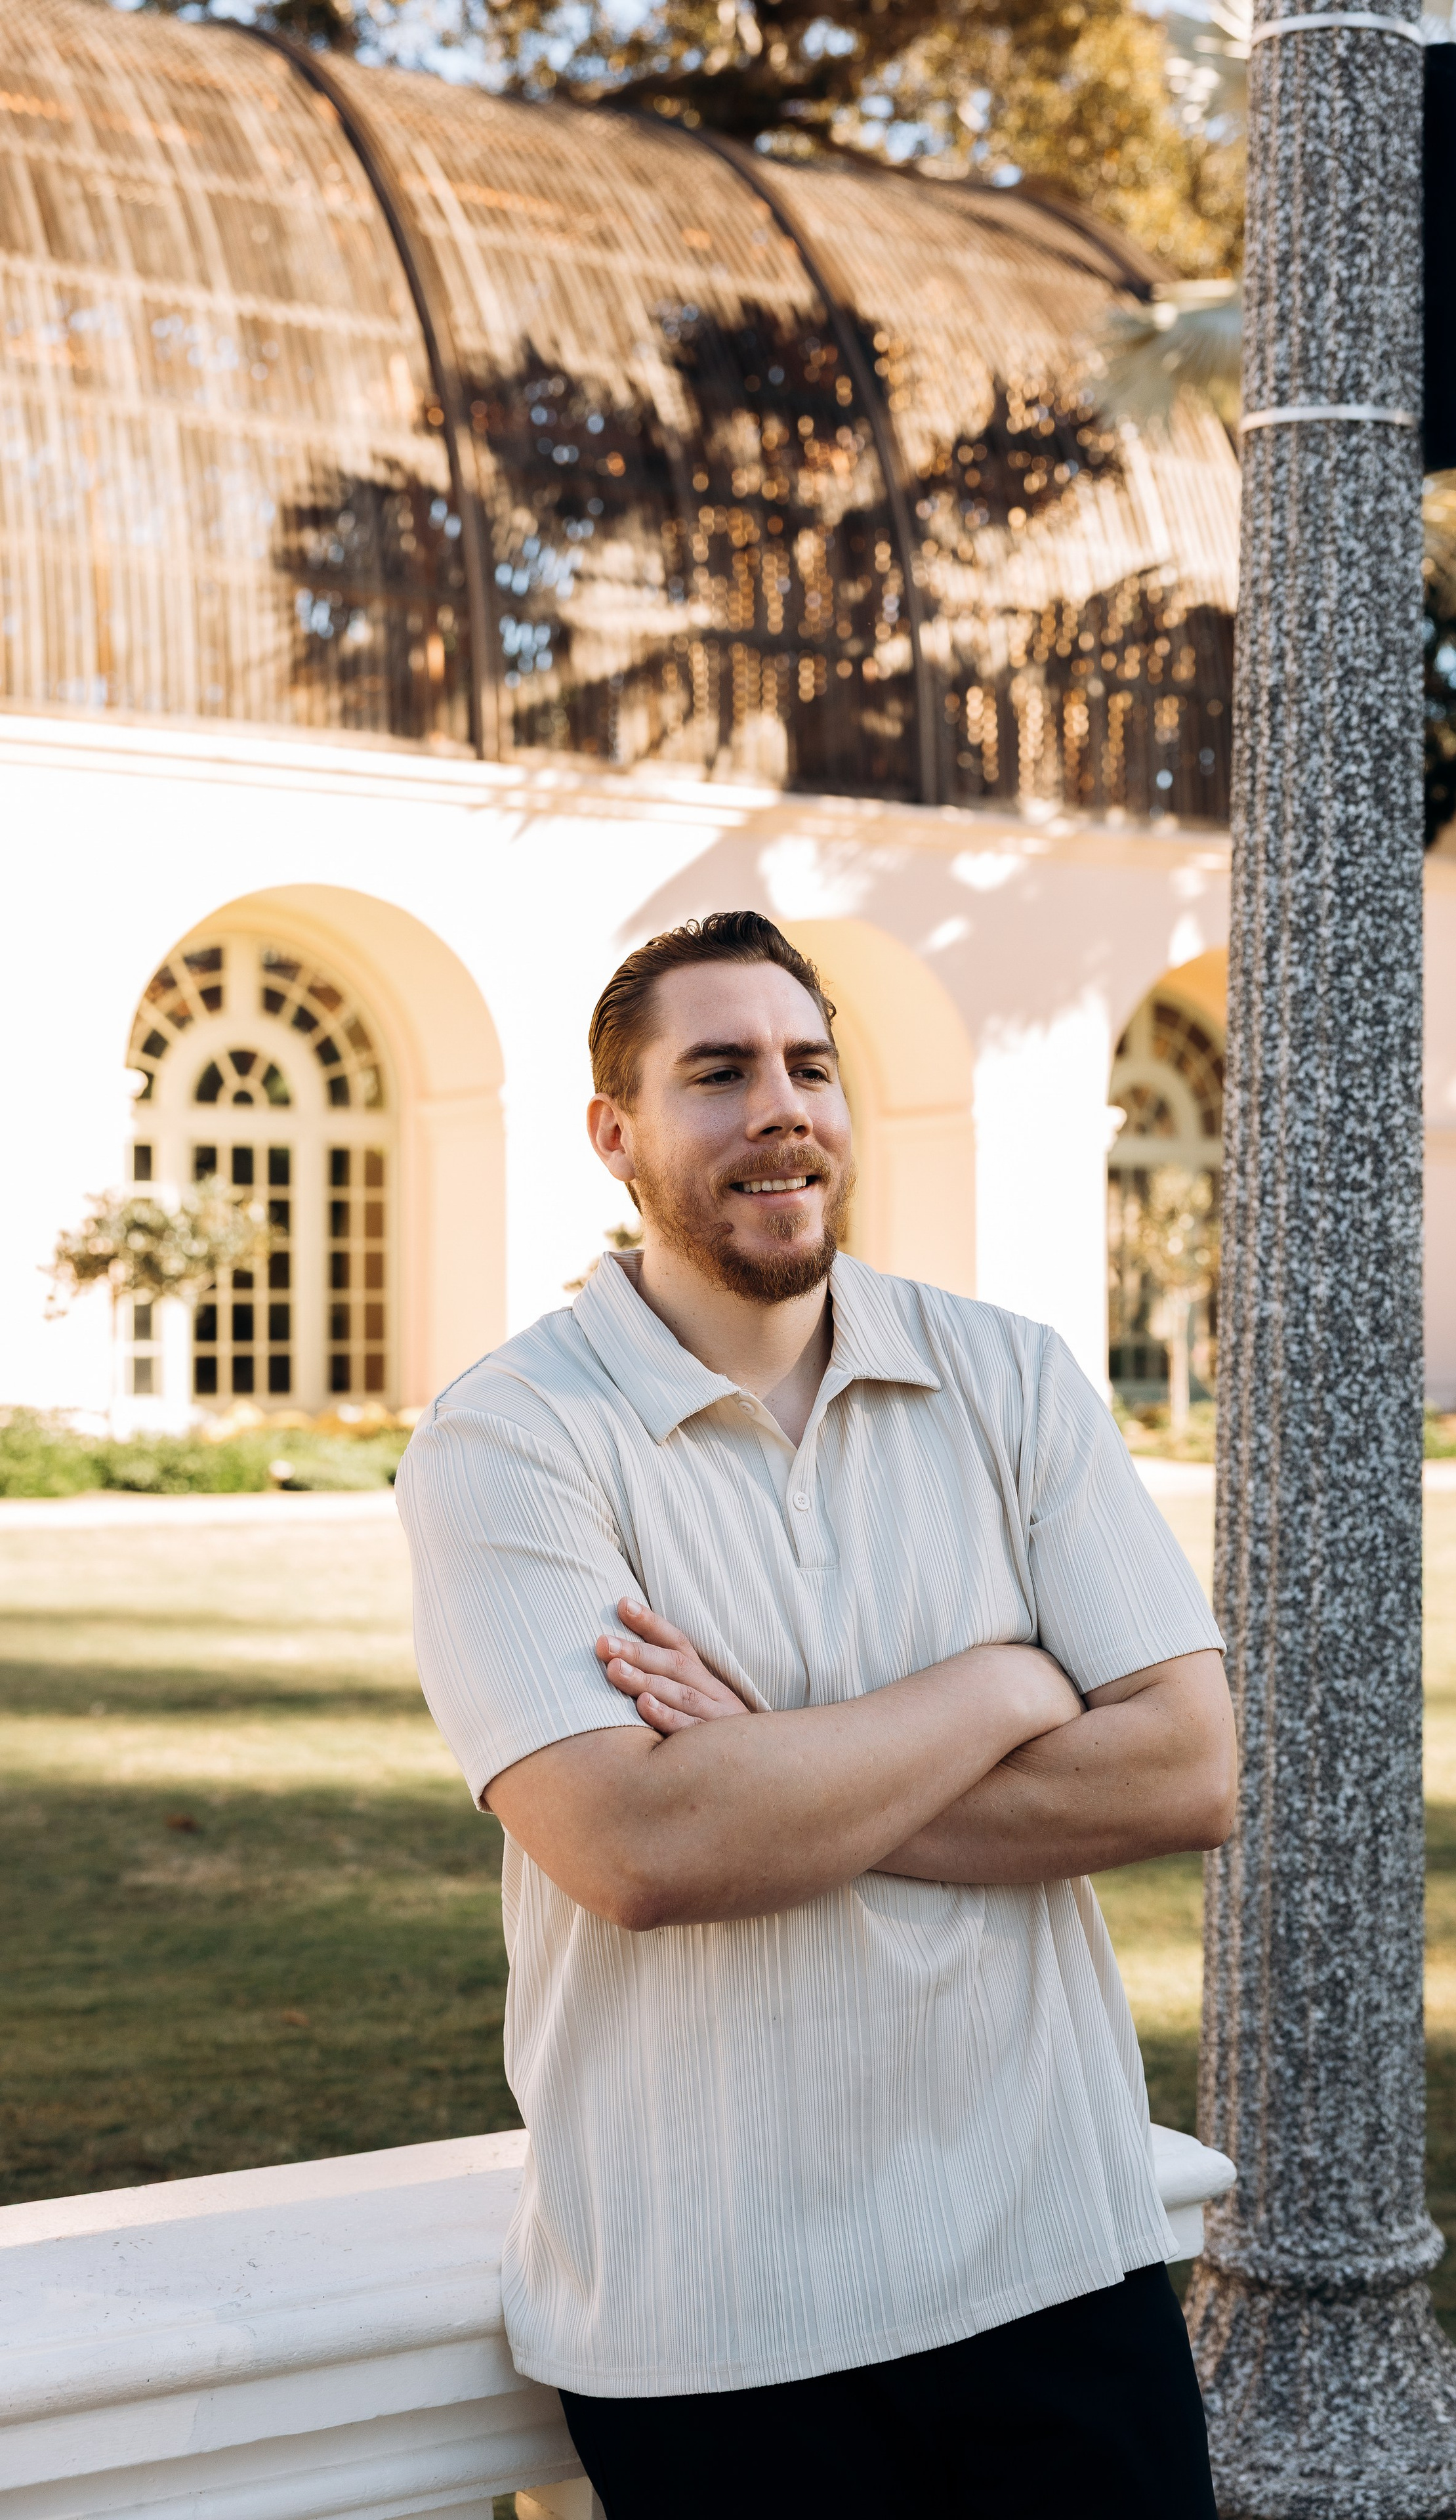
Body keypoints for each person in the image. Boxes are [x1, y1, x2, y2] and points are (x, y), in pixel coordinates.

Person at [398, 911, 1236, 2519]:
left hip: (1056, 2268)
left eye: (807, 1065)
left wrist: (765, 1758)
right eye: (716, 1073)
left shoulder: (1013, 1378)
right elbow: (635, 1844)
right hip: (710, 2326)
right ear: (616, 1134)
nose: (779, 1106)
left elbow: (1186, 1770)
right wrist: (1006, 1688)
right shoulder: (507, 1440)